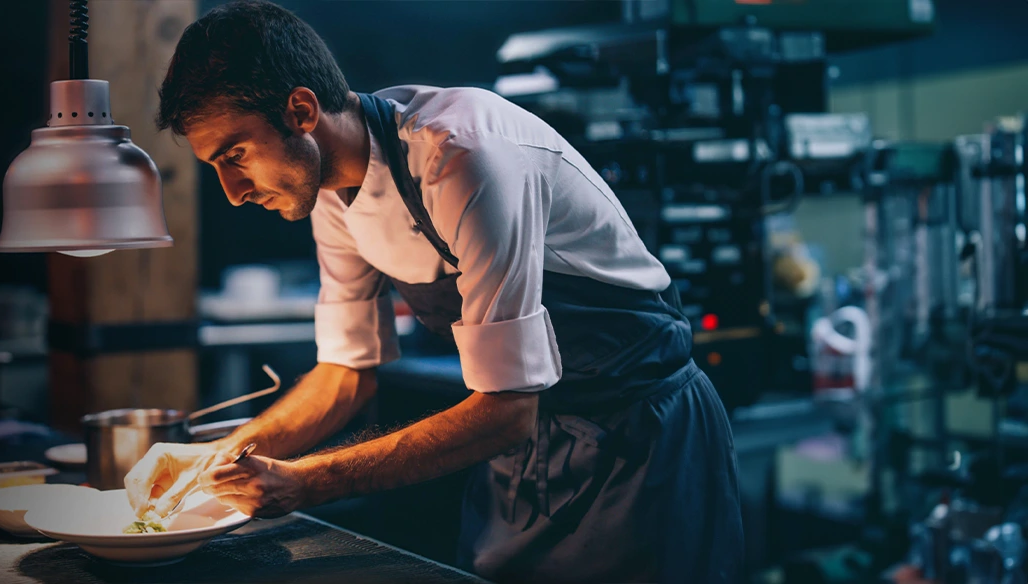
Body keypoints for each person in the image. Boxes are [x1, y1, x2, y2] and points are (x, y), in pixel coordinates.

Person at [123, 1, 744, 581]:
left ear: (301, 112)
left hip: (639, 444)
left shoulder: (463, 154)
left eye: (236, 154)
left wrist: (307, 482)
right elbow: (345, 375)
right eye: (216, 167)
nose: (233, 190)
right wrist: (211, 464)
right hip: (528, 454)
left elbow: (505, 408)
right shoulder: (329, 197)